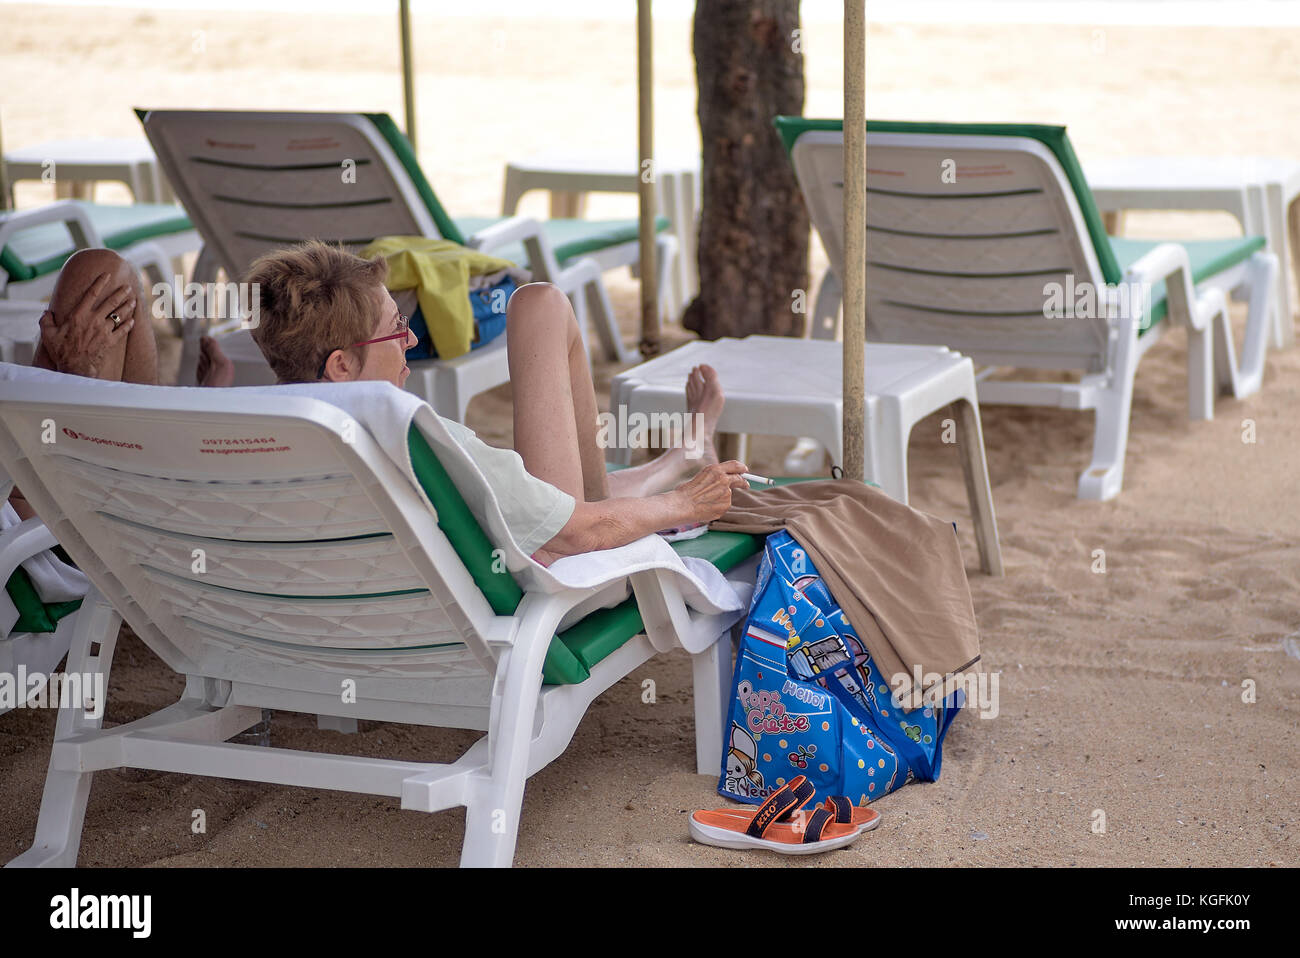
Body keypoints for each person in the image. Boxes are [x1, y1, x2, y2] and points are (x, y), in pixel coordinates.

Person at [244, 240, 750, 566]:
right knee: (539, 304)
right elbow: (579, 534)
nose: (411, 343)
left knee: (562, 500)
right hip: (548, 589)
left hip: (351, 624)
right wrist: (686, 503)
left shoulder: (250, 439)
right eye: (397, 330)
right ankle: (683, 457)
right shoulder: (419, 440)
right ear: (341, 367)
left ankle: (681, 454)